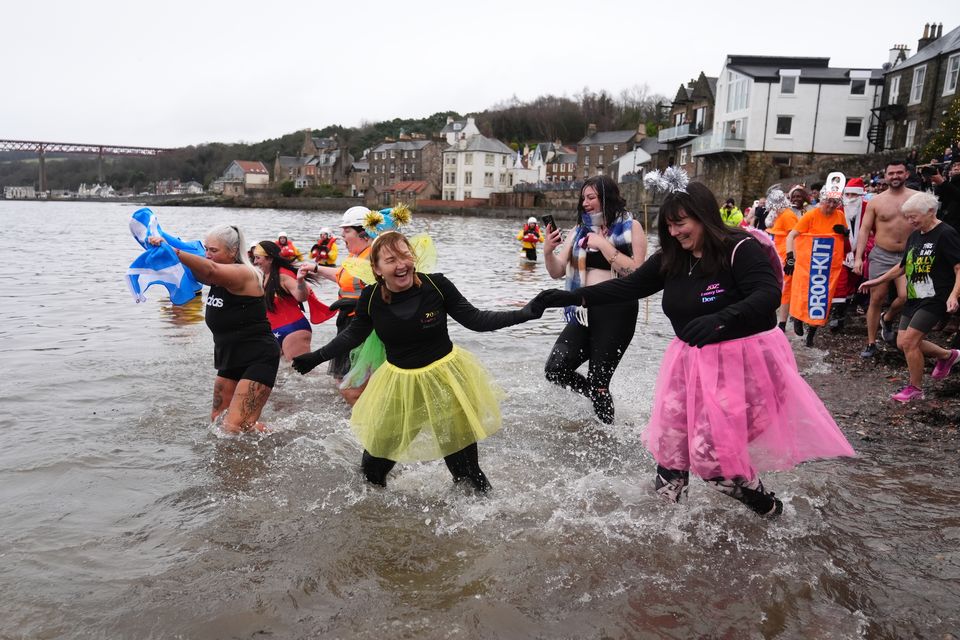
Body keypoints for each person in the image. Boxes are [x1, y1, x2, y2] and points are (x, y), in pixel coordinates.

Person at [538, 178, 855, 517]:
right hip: (689, 361)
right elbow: (627, 288)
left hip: (742, 363)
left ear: (703, 216)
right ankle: (669, 536)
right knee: (671, 452)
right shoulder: (673, 257)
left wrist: (723, 319)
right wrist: (568, 296)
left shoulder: (739, 248)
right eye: (669, 226)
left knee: (714, 462)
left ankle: (772, 510)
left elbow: (767, 295)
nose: (674, 232)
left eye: (681, 223)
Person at [291, 231, 549, 491]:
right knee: (373, 468)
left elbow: (477, 320)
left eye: (405, 256)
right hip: (400, 384)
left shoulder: (436, 285)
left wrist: (525, 313)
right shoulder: (371, 298)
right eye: (391, 260)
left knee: (466, 473)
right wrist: (316, 357)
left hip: (445, 381)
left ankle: (490, 519)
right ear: (377, 268)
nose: (401, 264)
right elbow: (352, 335)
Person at [149, 225, 280, 434]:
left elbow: (210, 270)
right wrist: (163, 243)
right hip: (229, 356)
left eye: (214, 251)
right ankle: (267, 438)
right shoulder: (215, 273)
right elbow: (202, 270)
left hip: (258, 357)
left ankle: (276, 444)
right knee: (218, 421)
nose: (208, 255)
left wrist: (174, 251)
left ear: (233, 250)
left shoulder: (245, 273)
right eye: (206, 249)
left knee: (235, 426)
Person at [542, 175, 647, 423]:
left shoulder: (632, 227)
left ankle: (610, 435)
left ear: (606, 198)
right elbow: (557, 271)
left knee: (599, 382)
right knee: (555, 369)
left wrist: (604, 245)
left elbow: (638, 275)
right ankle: (601, 405)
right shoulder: (579, 230)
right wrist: (548, 251)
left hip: (617, 311)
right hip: (585, 310)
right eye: (583, 198)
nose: (585, 203)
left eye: (591, 197)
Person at [858, 192, 960, 402]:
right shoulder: (915, 235)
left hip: (935, 297)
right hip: (915, 295)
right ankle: (948, 356)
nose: (910, 221)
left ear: (931, 211)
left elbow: (959, 267)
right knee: (901, 342)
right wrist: (876, 281)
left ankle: (915, 388)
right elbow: (903, 266)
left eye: (914, 216)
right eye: (908, 216)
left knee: (911, 342)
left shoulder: (946, 233)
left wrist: (954, 295)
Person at [305, 206, 375, 405]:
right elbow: (340, 275)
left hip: (363, 325)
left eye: (346, 231)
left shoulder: (373, 255)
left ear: (363, 232)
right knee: (342, 378)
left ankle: (363, 420)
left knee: (354, 381)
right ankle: (352, 415)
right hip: (346, 320)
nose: (341, 235)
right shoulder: (355, 255)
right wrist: (315, 268)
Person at [853, 161, 919, 358]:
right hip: (882, 254)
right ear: (886, 175)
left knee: (906, 295)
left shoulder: (917, 198)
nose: (895, 176)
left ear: (906, 174)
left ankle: (887, 318)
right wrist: (858, 258)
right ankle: (871, 342)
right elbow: (864, 229)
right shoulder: (876, 201)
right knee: (877, 297)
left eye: (899, 172)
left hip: (909, 254)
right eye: (891, 173)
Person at [785, 182, 850, 347]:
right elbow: (791, 236)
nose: (831, 205)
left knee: (822, 298)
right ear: (822, 200)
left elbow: (845, 242)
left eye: (835, 202)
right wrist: (790, 257)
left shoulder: (840, 216)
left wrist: (845, 233)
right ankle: (798, 318)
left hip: (827, 265)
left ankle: (811, 334)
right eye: (828, 201)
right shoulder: (811, 215)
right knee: (802, 292)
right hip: (807, 262)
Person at [252, 240, 312, 361]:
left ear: (270, 259)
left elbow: (302, 297)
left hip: (293, 330)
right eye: (254, 258)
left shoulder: (283, 276)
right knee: (278, 375)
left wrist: (300, 281)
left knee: (301, 375)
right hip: (274, 332)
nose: (255, 262)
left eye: (258, 258)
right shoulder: (263, 276)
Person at [766, 186, 803, 331]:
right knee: (781, 289)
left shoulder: (787, 215)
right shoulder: (780, 215)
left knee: (785, 290)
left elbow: (794, 238)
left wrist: (791, 259)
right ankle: (779, 321)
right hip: (778, 257)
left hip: (786, 258)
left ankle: (782, 323)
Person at [931, 161, 960, 231]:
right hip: (948, 221)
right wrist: (938, 184)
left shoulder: (947, 184)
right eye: (954, 166)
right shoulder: (949, 182)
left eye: (959, 166)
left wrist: (942, 183)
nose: (956, 168)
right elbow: (941, 197)